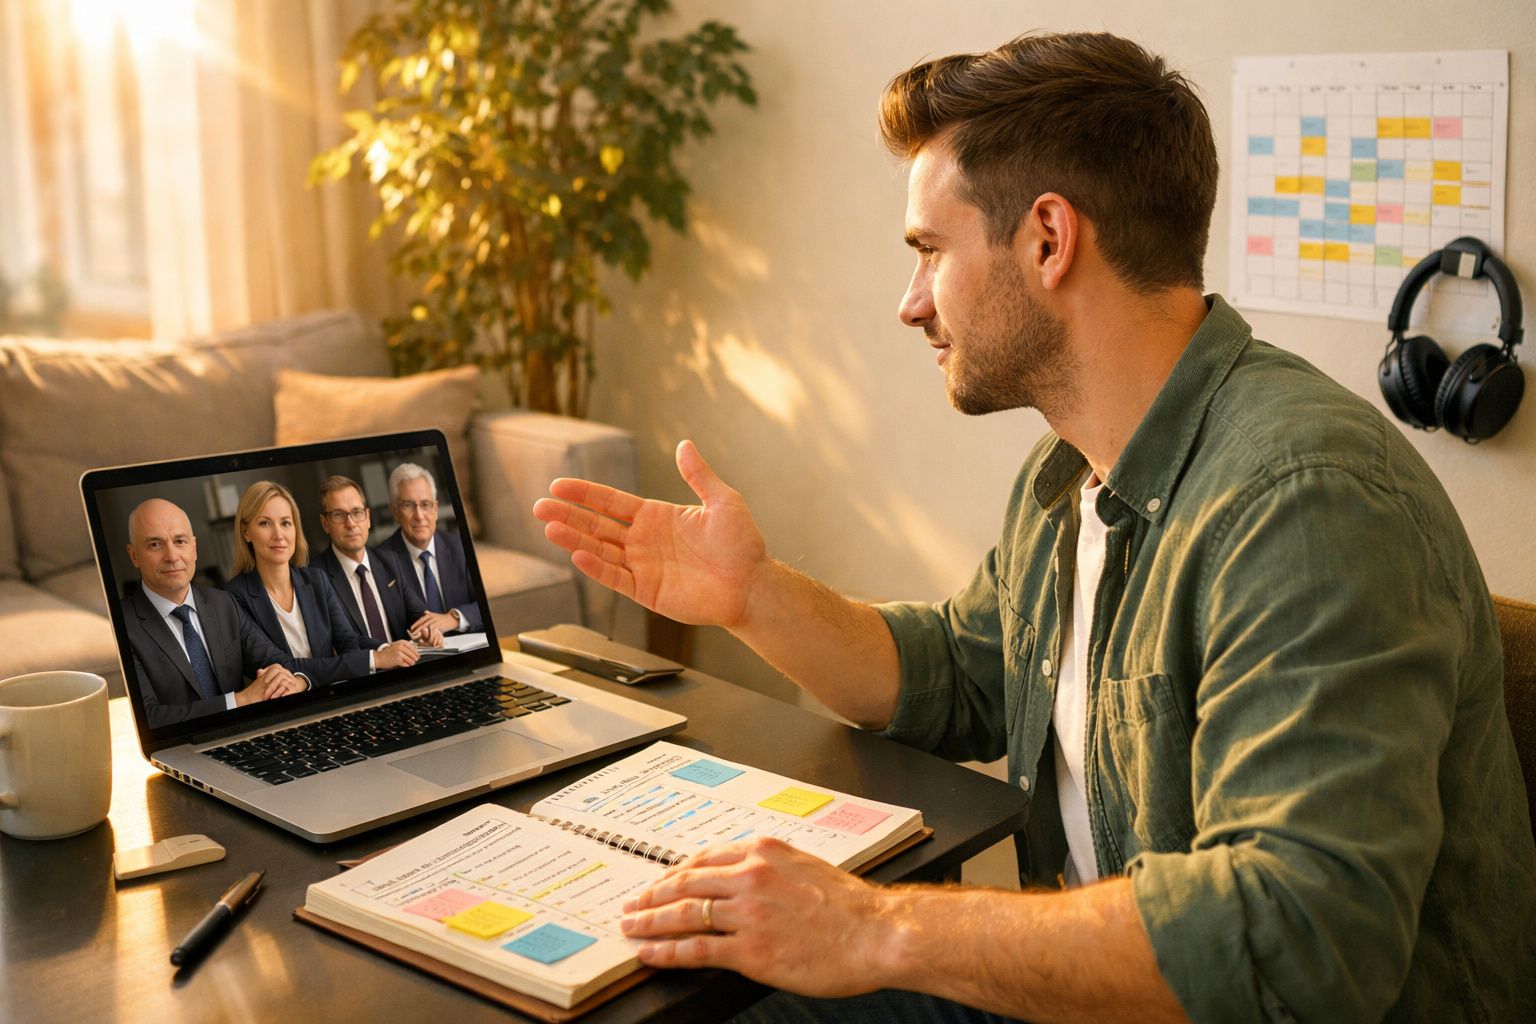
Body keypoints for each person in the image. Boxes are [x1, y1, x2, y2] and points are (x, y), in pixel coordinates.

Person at [532, 31, 1536, 1023]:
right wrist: (752, 594)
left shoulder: (1306, 502)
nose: (909, 302)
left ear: (1049, 240)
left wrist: (875, 926)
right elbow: (964, 670)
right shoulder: (1072, 473)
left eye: (928, 251)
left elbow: (1300, 940)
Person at [122, 497, 305, 729]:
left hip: (252, 736)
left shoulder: (223, 602)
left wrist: (284, 678)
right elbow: (151, 718)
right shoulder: (123, 625)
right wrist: (241, 700)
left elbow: (278, 662)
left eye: (180, 541)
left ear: (194, 547)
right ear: (134, 555)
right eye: (155, 545)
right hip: (183, 750)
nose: (172, 556)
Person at [225, 481, 421, 686]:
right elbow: (281, 668)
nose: (279, 535)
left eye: (285, 523)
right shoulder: (232, 598)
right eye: (265, 523)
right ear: (246, 531)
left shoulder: (316, 580)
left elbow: (349, 642)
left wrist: (386, 650)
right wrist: (374, 659)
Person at [313, 474, 443, 649]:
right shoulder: (315, 577)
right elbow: (341, 640)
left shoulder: (389, 561)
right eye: (338, 515)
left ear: (367, 517)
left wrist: (429, 631)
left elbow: (419, 615)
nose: (350, 523)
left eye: (357, 512)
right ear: (325, 523)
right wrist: (385, 652)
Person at [381, 463, 483, 636]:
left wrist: (453, 618)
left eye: (426, 505)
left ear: (435, 510)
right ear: (395, 512)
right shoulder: (380, 562)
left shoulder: (460, 547)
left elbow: (484, 607)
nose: (419, 516)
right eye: (408, 505)